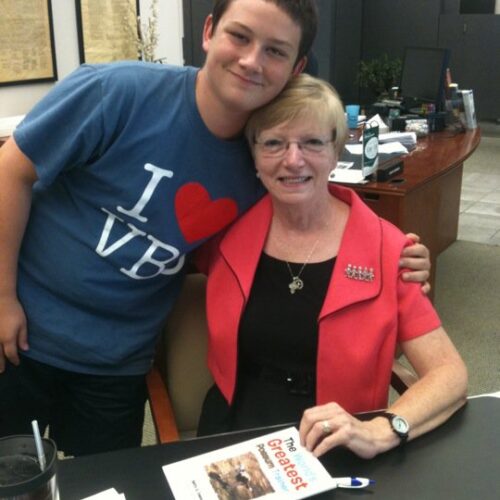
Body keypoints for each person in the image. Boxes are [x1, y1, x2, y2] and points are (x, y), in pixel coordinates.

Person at [0, 0, 428, 456]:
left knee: (101, 483)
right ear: (208, 31)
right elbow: (11, 171)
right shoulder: (117, 92)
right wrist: (2, 297)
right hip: (20, 331)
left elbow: (304, 230)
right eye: (239, 36)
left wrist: (393, 257)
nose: (250, 60)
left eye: (275, 51)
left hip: (117, 361)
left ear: (296, 66)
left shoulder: (263, 163)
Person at [195, 74, 468, 458]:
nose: (293, 159)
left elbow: (449, 375)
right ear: (254, 155)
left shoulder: (387, 248)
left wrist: (382, 430)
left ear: (336, 150)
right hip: (234, 435)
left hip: (341, 440)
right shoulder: (225, 234)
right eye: (274, 143)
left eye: (312, 142)